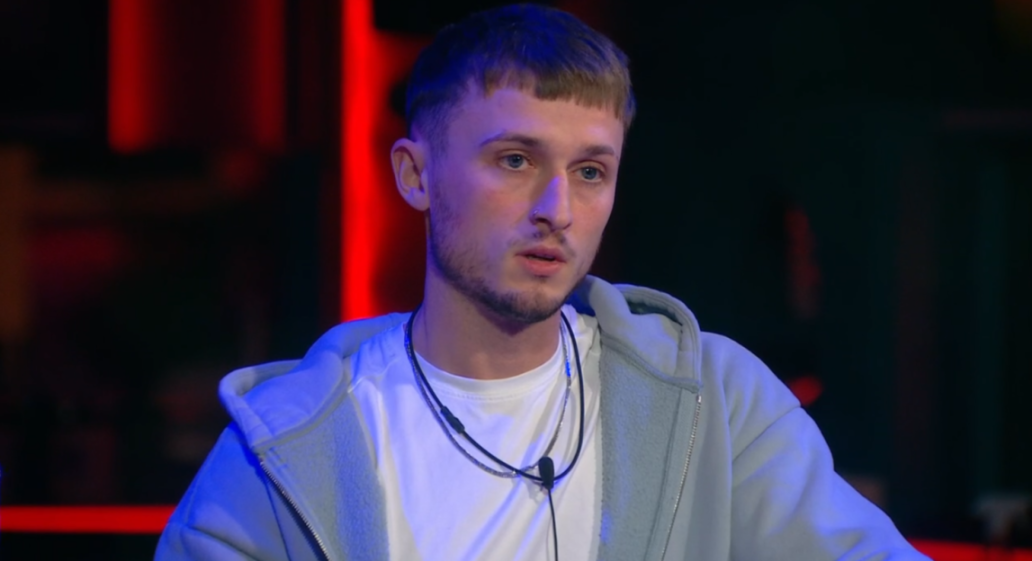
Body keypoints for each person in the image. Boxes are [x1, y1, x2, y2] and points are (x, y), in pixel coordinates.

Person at [155, 4, 930, 560]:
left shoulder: (716, 403)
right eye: (516, 160)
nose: (557, 209)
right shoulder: (284, 448)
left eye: (590, 170)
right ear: (415, 175)